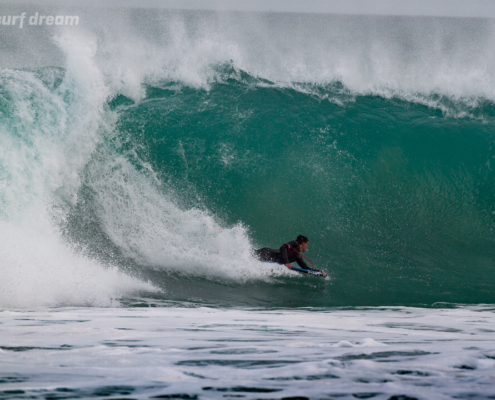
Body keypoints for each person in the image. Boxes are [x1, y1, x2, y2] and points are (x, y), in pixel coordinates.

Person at [255, 235, 325, 273]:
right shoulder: (294, 243)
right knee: (249, 255)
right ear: (303, 243)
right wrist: (286, 262)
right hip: (267, 253)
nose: (307, 246)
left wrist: (319, 271)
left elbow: (305, 268)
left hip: (268, 258)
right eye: (307, 244)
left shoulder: (298, 257)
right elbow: (283, 247)